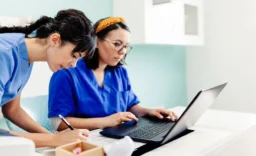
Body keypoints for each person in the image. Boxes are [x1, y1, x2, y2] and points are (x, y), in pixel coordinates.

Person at [0, 9, 95, 147]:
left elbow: (12, 110)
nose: (73, 65)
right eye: (74, 56)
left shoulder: (25, 55)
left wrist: (54, 137)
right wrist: (53, 140)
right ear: (55, 39)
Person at [48, 17, 179, 131]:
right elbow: (58, 123)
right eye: (117, 44)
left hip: (119, 136)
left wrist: (149, 112)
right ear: (96, 41)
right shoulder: (67, 72)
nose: (123, 52)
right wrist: (105, 121)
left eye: (126, 46)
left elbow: (130, 105)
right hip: (86, 142)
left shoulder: (120, 72)